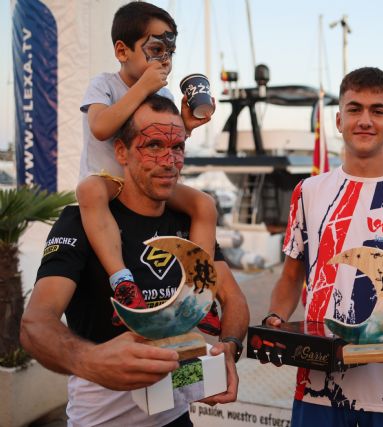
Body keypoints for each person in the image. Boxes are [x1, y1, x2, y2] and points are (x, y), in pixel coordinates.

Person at [21, 95, 249, 427]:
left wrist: (230, 345)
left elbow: (233, 297)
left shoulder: (188, 221)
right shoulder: (80, 222)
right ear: (122, 152)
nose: (169, 161)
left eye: (177, 148)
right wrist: (90, 359)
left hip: (177, 414)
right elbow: (35, 324)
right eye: (153, 145)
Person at [263, 67, 383, 427]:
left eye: (377, 111)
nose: (365, 120)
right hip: (316, 384)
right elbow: (290, 276)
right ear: (338, 119)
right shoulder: (308, 191)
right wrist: (274, 323)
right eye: (355, 109)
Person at [75, 1, 219, 332]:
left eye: (170, 50)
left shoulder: (164, 92)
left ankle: (200, 291)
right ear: (122, 51)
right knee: (89, 189)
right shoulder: (104, 84)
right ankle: (123, 284)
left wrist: (187, 124)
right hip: (111, 179)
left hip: (147, 182)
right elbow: (100, 127)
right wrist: (143, 88)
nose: (165, 59)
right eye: (155, 48)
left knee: (204, 204)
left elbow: (165, 141)